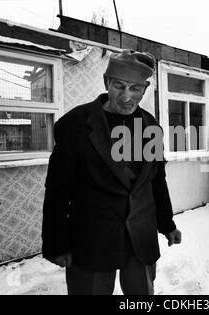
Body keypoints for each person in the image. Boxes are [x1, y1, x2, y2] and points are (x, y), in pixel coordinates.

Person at [42, 49, 181, 295]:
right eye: (119, 86)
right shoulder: (74, 125)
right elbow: (58, 190)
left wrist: (166, 223)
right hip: (92, 240)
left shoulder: (150, 127)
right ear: (107, 82)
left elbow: (156, 181)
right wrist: (56, 243)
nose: (127, 96)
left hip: (141, 238)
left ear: (145, 89)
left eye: (135, 88)